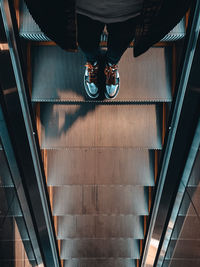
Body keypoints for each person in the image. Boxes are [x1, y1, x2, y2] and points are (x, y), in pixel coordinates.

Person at [76, 1, 143, 99]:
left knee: (118, 46)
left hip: (128, 9)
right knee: (88, 45)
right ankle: (93, 63)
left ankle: (110, 64)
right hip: (85, 8)